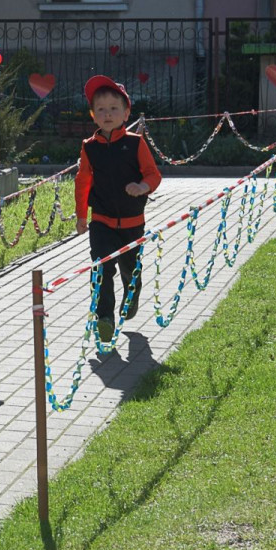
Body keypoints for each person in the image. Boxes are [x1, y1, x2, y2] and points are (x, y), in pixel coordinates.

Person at [74, 75, 162, 351]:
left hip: (132, 222)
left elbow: (153, 174)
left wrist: (142, 186)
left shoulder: (136, 143)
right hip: (101, 220)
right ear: (93, 115)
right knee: (101, 267)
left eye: (114, 108)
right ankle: (104, 318)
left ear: (126, 113)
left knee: (129, 269)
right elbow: (83, 181)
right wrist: (80, 215)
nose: (107, 114)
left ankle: (132, 295)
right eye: (101, 109)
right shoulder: (90, 147)